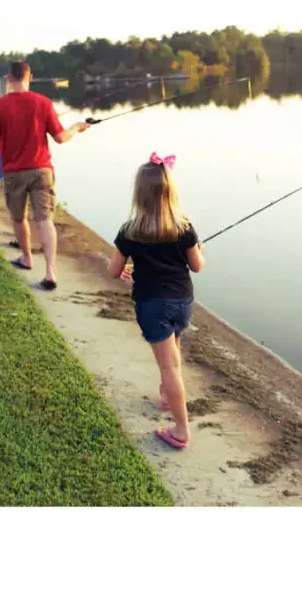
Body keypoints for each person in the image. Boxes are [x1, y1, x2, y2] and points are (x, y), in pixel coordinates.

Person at [107, 153, 205, 450]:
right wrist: (199, 248)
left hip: (152, 305)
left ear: (139, 193)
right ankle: (166, 395)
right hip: (183, 301)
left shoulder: (130, 230)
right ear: (170, 190)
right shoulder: (184, 226)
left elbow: (113, 271)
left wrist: (125, 267)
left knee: (169, 367)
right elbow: (197, 266)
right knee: (172, 351)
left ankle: (181, 430)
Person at [0, 60, 89, 290]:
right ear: (31, 77)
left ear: (9, 79)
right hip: (42, 170)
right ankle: (51, 272)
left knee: (19, 219)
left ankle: (27, 258)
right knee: (45, 220)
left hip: (13, 172)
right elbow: (60, 138)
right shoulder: (44, 102)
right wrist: (77, 127)